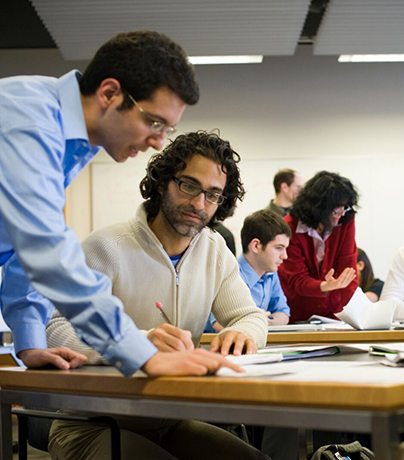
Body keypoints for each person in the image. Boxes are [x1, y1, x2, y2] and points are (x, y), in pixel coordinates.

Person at [0, 30, 241, 377]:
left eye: (167, 129)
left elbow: (22, 247)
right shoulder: (30, 124)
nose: (159, 142)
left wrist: (30, 343)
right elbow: (46, 251)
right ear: (109, 94)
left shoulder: (68, 140)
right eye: (154, 122)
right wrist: (143, 354)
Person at [45, 131, 269, 459]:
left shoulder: (215, 250)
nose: (199, 204)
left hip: (170, 421)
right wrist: (139, 343)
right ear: (163, 183)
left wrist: (242, 334)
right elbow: (56, 329)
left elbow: (249, 316)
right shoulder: (106, 246)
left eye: (212, 194)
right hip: (92, 424)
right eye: (189, 185)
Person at [278, 171, 359, 322]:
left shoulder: (345, 220)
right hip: (298, 312)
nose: (342, 213)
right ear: (319, 208)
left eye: (345, 207)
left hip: (334, 313)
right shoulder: (290, 227)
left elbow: (348, 270)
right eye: (337, 209)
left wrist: (355, 317)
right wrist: (324, 286)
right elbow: (296, 279)